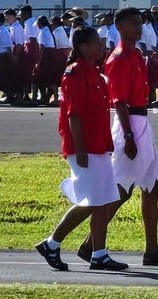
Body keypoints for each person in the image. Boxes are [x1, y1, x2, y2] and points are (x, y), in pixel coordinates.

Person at [76, 7, 158, 269]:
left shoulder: (137, 55)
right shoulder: (119, 58)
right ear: (119, 26)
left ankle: (151, 249)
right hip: (129, 122)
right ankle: (90, 244)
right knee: (120, 189)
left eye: (139, 22)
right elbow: (119, 101)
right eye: (132, 23)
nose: (138, 27)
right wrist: (129, 136)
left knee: (151, 187)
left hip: (141, 121)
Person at [34, 27, 127, 272]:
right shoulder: (74, 73)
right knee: (93, 201)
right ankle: (54, 243)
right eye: (96, 42)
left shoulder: (94, 73)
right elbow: (74, 115)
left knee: (102, 201)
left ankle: (97, 253)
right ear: (83, 46)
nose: (101, 45)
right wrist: (82, 149)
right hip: (85, 147)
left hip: (98, 145)